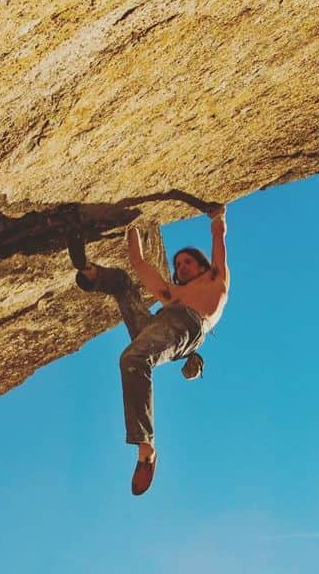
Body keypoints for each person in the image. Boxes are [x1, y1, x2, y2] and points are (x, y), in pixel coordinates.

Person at [76, 205, 228, 495]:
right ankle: (90, 272)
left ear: (201, 266)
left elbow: (219, 241)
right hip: (156, 326)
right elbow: (140, 263)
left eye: (187, 263)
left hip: (186, 327)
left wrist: (217, 218)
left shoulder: (215, 280)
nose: (181, 268)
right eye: (178, 264)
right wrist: (131, 225)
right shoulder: (171, 293)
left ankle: (146, 448)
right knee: (122, 283)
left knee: (133, 358)